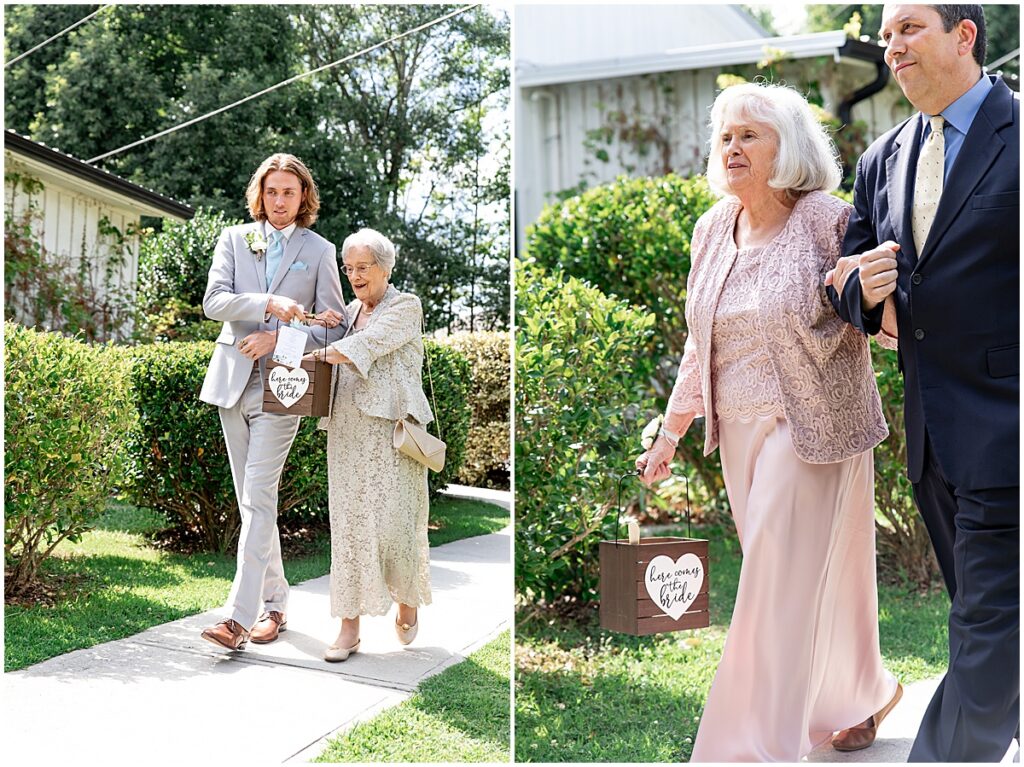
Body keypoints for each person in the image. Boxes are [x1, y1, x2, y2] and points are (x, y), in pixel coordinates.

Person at [636, 82, 901, 762]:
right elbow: (701, 344)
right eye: (725, 135)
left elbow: (878, 315)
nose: (732, 146)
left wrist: (885, 299)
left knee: (770, 587)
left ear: (787, 148)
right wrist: (671, 433)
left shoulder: (826, 218)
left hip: (813, 426)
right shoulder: (711, 229)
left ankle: (757, 747)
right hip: (740, 433)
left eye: (749, 134)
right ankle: (861, 690)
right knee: (803, 581)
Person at [827, 5, 1019, 761]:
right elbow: (842, 275)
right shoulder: (882, 157)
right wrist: (861, 291)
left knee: (988, 625)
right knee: (985, 614)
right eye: (885, 34)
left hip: (1012, 426)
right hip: (932, 438)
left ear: (964, 35)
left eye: (908, 28)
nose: (890, 45)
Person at [198, 153, 347, 651]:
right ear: (259, 194)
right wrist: (266, 304)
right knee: (252, 503)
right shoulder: (235, 239)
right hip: (232, 382)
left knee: (259, 497)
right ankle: (277, 604)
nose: (279, 200)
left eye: (289, 191)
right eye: (271, 191)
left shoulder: (321, 250)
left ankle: (237, 620)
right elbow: (214, 302)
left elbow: (335, 324)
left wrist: (279, 338)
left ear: (304, 196)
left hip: (284, 387)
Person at [308, 228, 433, 662]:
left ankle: (407, 598)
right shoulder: (346, 311)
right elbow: (328, 339)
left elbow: (365, 346)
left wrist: (320, 354)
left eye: (363, 268)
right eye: (349, 268)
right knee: (349, 527)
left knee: (393, 523)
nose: (355, 276)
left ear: (385, 268)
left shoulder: (406, 305)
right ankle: (348, 628)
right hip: (345, 430)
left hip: (392, 434)